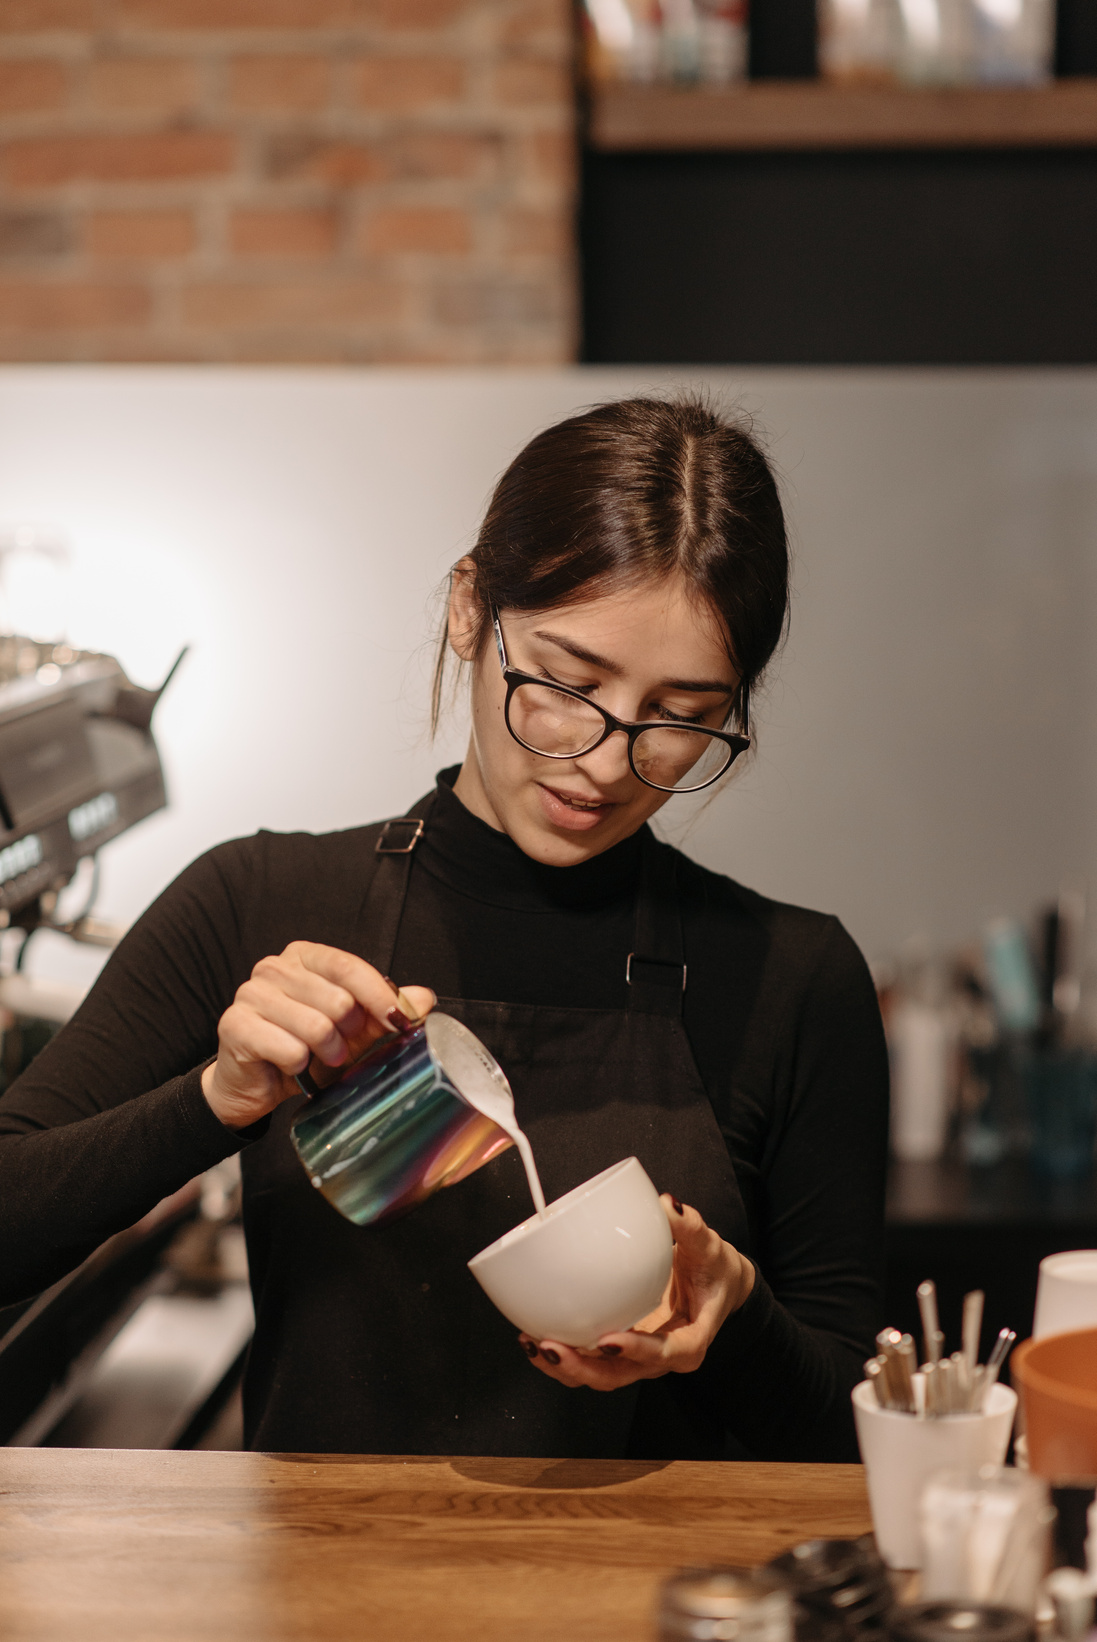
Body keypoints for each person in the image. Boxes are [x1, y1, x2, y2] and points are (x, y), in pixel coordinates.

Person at [0, 396, 888, 1461]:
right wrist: (215, 1102)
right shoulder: (261, 899)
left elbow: (856, 1430)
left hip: (665, 1616)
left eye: (680, 716)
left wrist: (735, 1316)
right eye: (564, 683)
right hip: (326, 1615)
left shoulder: (790, 978)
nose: (605, 764)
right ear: (470, 608)